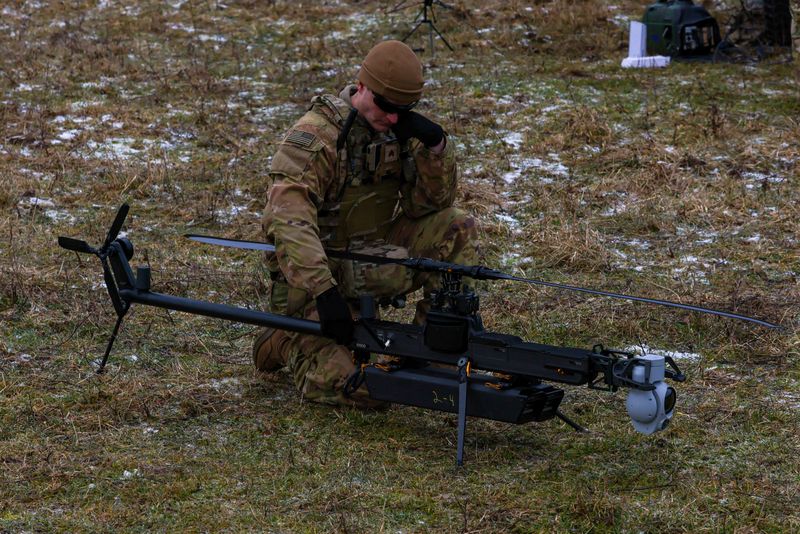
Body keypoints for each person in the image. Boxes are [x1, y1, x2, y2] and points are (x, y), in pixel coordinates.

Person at [253, 40, 479, 408]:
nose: (392, 119)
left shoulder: (398, 130)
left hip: (373, 261)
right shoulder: (315, 139)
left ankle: (433, 343)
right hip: (317, 284)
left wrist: (435, 146)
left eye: (403, 111)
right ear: (362, 88)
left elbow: (431, 205)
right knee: (364, 389)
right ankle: (282, 339)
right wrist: (324, 294)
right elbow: (288, 222)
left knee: (457, 227)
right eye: (387, 107)